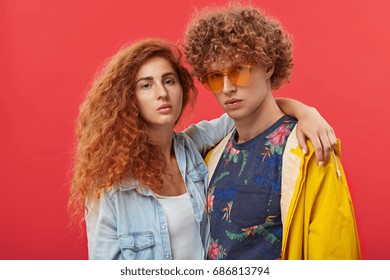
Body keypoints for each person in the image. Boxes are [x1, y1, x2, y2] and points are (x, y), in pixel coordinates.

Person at [69, 38, 342, 260]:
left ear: (182, 89)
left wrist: (306, 113)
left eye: (169, 81)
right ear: (129, 99)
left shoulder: (192, 146)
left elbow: (254, 110)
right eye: (146, 85)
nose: (162, 93)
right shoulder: (110, 190)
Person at [184, 4, 360, 259]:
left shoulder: (309, 151)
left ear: (268, 66)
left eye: (238, 71)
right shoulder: (211, 157)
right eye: (214, 76)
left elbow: (335, 256)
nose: (226, 88)